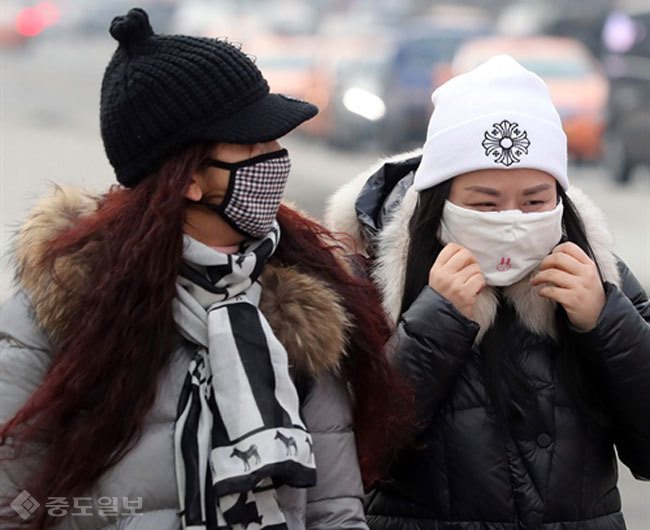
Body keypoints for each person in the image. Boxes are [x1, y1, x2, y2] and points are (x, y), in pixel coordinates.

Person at [0, 8, 414, 530]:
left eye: (276, 143)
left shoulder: (299, 306)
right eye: (254, 145)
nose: (276, 159)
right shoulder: (66, 308)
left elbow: (334, 509)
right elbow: (13, 503)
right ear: (187, 179)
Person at [325, 55, 650, 529]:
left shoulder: (597, 272)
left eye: (535, 201)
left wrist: (605, 321)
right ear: (440, 198)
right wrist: (436, 321)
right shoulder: (370, 271)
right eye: (485, 203)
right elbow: (354, 457)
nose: (512, 220)